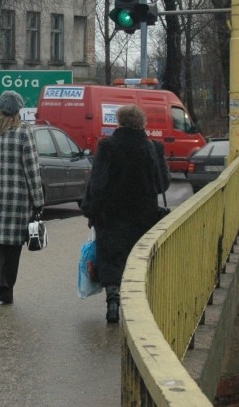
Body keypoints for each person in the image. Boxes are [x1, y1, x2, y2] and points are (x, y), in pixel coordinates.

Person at [82, 104, 169, 323]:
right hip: (143, 215)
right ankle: (139, 308)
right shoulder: (152, 148)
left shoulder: (108, 147)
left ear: (119, 122)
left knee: (111, 259)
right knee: (138, 259)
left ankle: (113, 300)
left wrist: (91, 210)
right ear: (143, 124)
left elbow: (97, 184)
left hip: (111, 216)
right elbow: (162, 184)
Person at [0, 90, 45, 306]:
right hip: (17, 200)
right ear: (19, 110)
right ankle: (7, 290)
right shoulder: (24, 132)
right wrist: (38, 201)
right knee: (13, 248)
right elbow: (32, 169)